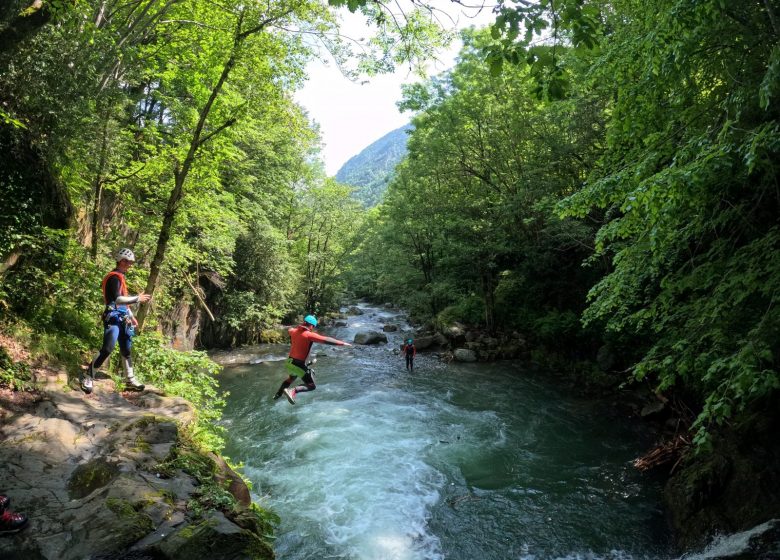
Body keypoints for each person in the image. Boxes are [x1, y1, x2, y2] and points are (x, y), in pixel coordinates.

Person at [81, 248, 151, 394]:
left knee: (126, 350)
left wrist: (131, 315)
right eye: (126, 261)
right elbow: (117, 299)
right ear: (119, 260)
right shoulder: (113, 277)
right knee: (108, 348)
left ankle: (130, 380)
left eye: (130, 262)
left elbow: (122, 300)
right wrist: (137, 298)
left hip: (123, 317)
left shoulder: (120, 277)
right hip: (113, 317)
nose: (128, 264)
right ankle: (89, 376)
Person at [273, 315, 351, 404]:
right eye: (313, 327)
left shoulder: (293, 331)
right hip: (298, 365)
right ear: (311, 326)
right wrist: (343, 343)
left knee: (291, 378)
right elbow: (326, 339)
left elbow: (289, 330)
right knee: (311, 386)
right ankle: (292, 391)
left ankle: (278, 394)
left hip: (289, 363)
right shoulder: (309, 335)